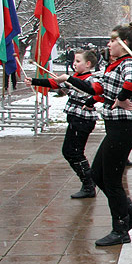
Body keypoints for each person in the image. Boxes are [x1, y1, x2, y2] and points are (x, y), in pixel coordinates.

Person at [56, 23, 132, 247]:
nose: (109, 44)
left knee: (112, 180)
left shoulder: (128, 63)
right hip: (115, 128)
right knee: (97, 175)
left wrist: (122, 97)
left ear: (123, 44)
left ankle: (121, 228)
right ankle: (129, 212)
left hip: (124, 128)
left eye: (113, 40)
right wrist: (68, 79)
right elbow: (96, 89)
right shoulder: (113, 65)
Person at [27, 49, 99, 198]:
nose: (74, 64)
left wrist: (69, 81)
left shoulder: (91, 79)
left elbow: (91, 91)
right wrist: (34, 81)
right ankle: (89, 182)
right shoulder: (75, 77)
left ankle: (89, 184)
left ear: (88, 64)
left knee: (74, 153)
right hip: (75, 119)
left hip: (83, 120)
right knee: (70, 152)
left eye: (78, 61)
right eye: (74, 61)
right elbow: (55, 83)